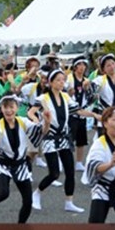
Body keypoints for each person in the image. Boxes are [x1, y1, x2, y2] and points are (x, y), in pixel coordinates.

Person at [0, 93, 43, 225]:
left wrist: (46, 122)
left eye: (11, 107)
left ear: (17, 108)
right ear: (1, 109)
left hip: (20, 164)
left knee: (28, 201)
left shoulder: (23, 122)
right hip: (3, 164)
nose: (9, 110)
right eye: (5, 107)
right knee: (4, 192)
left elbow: (40, 131)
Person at [38, 70, 85, 214]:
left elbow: (78, 110)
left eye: (63, 80)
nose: (61, 82)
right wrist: (37, 122)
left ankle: (69, 202)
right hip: (49, 137)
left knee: (70, 172)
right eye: (58, 80)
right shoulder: (43, 98)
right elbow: (31, 111)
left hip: (64, 137)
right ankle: (37, 193)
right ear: (50, 82)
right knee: (54, 174)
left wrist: (96, 115)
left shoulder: (65, 96)